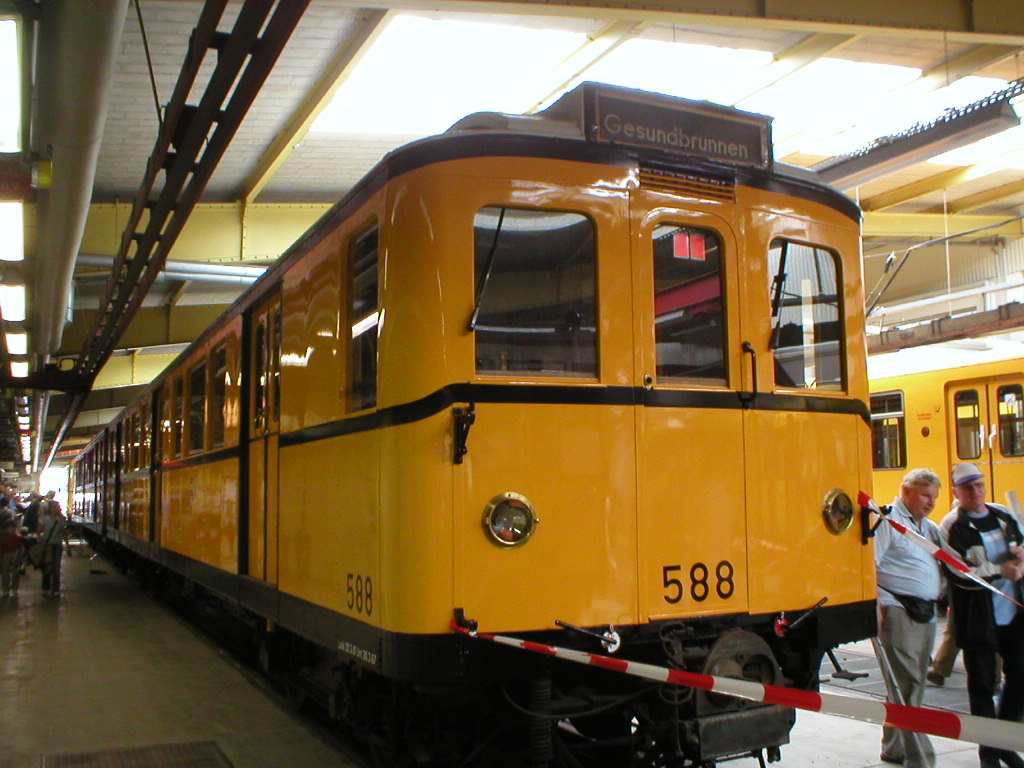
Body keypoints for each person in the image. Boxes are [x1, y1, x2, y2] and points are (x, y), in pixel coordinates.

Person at [944, 463, 1024, 768]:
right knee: (981, 685)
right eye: (968, 488)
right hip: (977, 616)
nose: (976, 492)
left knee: (1020, 675)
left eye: (979, 485)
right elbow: (957, 572)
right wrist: (998, 570)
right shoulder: (952, 526)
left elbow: (1022, 542)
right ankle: (988, 752)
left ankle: (1004, 742)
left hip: (1013, 612)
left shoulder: (1002, 514)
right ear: (956, 492)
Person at [875, 468, 943, 768]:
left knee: (906, 687)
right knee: (909, 685)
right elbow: (871, 566)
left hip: (925, 614)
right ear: (906, 492)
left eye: (934, 497)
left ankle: (893, 748)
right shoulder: (887, 521)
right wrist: (877, 608)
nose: (931, 502)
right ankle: (921, 758)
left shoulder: (928, 527)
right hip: (898, 610)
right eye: (926, 496)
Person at [38, 497, 65, 596]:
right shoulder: (45, 519)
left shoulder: (60, 519)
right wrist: (42, 540)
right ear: (50, 508)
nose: (58, 508)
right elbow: (39, 530)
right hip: (48, 545)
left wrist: (68, 546)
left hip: (57, 545)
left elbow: (63, 531)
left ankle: (55, 589)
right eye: (55, 507)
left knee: (56, 568)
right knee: (47, 566)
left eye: (58, 506)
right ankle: (46, 588)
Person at [0, 514, 22, 597]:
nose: (11, 530)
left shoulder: (17, 537)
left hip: (14, 554)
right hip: (5, 555)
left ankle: (14, 589)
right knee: (5, 573)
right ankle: (6, 589)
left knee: (15, 573)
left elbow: (20, 548)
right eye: (9, 528)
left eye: (12, 528)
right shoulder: (3, 538)